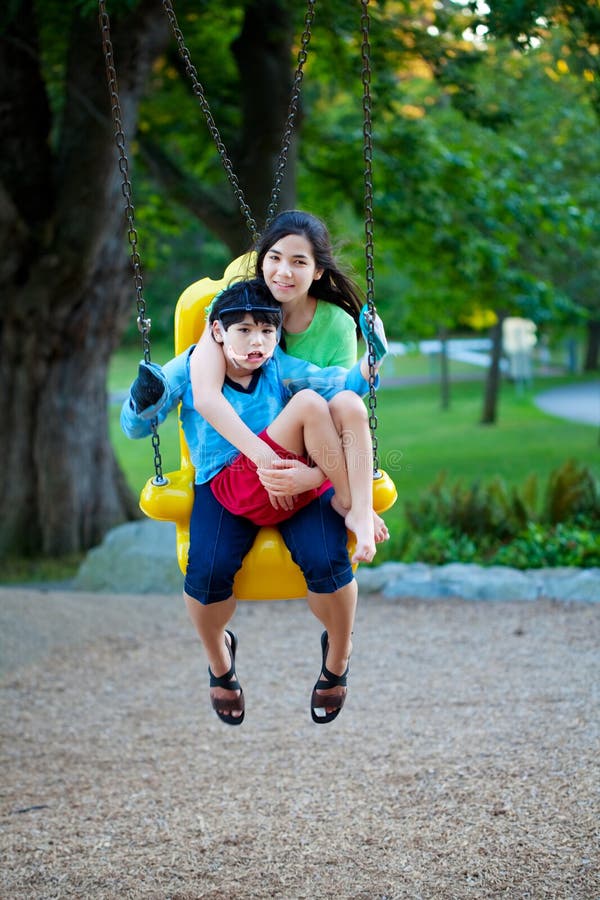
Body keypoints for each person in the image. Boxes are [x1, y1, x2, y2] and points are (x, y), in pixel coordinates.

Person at [121, 279, 387, 726]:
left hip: (285, 478)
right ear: (217, 331)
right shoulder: (192, 368)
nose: (257, 342)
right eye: (243, 330)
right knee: (204, 573)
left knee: (329, 563)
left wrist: (370, 361)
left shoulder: (278, 366)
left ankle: (338, 658)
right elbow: (137, 423)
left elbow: (340, 385)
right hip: (224, 483)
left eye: (267, 330)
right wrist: (142, 398)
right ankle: (220, 663)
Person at [190, 210, 390, 547]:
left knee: (345, 401)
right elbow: (206, 397)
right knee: (310, 401)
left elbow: (336, 407)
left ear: (318, 270)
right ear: (262, 261)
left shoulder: (337, 324)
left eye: (298, 262)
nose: (283, 272)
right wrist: (269, 460)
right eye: (275, 258)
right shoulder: (239, 307)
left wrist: (372, 363)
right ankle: (351, 502)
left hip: (315, 449)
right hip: (248, 456)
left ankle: (356, 505)